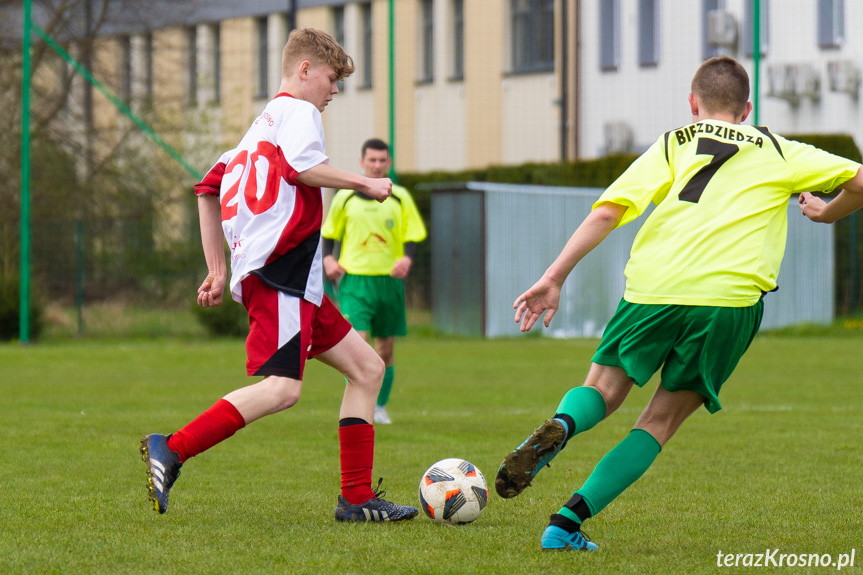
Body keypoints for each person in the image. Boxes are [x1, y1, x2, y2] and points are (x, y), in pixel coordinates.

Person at [494, 56, 863, 552]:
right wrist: (826, 213)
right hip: (726, 302)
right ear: (747, 109)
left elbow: (607, 213)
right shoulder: (778, 149)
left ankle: (562, 425)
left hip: (652, 290)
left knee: (601, 390)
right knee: (659, 421)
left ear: (694, 104)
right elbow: (859, 181)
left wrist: (553, 276)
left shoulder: (673, 143)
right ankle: (564, 524)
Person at [139, 28, 418, 523]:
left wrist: (218, 268)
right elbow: (301, 167)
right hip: (283, 272)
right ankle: (173, 448)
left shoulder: (257, 130)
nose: (334, 91)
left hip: (296, 280)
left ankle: (355, 500)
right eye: (331, 79)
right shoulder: (300, 113)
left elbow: (207, 188)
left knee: (368, 369)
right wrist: (366, 183)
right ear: (304, 70)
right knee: (283, 389)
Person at [321, 139, 427, 425]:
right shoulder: (345, 197)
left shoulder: (400, 196)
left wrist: (406, 259)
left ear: (388, 163)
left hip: (389, 284)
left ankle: (379, 407)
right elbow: (328, 233)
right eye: (372, 160)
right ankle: (356, 410)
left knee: (385, 349)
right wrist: (327, 259)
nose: (377, 165)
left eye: (382, 160)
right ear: (362, 162)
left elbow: (413, 236)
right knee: (357, 346)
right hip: (355, 281)